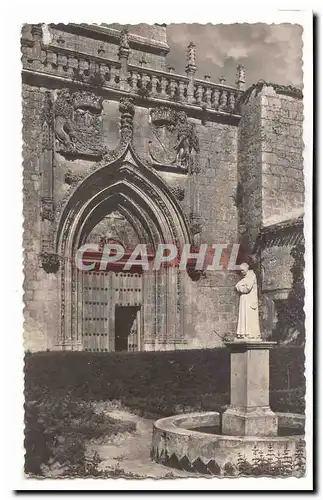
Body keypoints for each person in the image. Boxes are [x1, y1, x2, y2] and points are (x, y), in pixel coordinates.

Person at [235, 262, 261, 340]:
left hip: (249, 301)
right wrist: (239, 285)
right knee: (243, 315)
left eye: (243, 270)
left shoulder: (251, 275)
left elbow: (246, 288)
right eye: (241, 270)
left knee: (249, 317)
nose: (242, 272)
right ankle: (243, 334)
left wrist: (239, 286)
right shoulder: (245, 277)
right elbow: (239, 285)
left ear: (247, 268)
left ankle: (249, 334)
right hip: (244, 300)